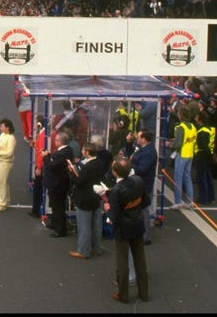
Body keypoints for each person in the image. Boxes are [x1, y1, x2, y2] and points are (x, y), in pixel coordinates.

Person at [106, 157, 149, 304]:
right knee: (140, 260)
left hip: (123, 228)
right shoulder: (138, 181)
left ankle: (123, 295)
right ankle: (144, 293)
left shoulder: (115, 191)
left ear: (115, 172)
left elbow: (115, 216)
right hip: (137, 223)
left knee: (122, 262)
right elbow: (145, 201)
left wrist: (108, 209)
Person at [69, 142, 106, 259]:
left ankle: (83, 250)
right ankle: (96, 248)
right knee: (96, 224)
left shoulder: (88, 167)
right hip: (95, 196)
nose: (82, 151)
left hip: (84, 197)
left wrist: (72, 172)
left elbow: (79, 182)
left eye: (83, 150)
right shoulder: (99, 163)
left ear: (87, 152)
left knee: (84, 225)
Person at [41, 130, 73, 237]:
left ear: (60, 141)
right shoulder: (67, 151)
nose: (55, 141)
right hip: (59, 183)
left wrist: (45, 157)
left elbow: (52, 166)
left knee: (58, 207)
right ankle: (55, 223)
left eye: (56, 140)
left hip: (57, 184)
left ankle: (60, 229)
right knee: (56, 206)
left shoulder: (61, 153)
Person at [129, 130, 158, 243]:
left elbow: (142, 169)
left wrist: (130, 163)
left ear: (144, 139)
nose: (137, 139)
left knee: (143, 210)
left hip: (144, 184)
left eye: (139, 137)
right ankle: (141, 233)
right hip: (139, 183)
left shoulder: (149, 153)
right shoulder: (144, 149)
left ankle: (146, 236)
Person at [167, 105, 195, 210]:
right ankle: (190, 201)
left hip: (181, 154)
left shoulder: (180, 127)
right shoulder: (192, 126)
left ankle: (177, 202)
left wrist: (169, 145)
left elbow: (178, 143)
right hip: (190, 154)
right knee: (187, 177)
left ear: (180, 115)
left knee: (178, 178)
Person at [0, 118, 16, 212]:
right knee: (4, 182)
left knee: (1, 182)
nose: (0, 128)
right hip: (1, 161)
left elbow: (9, 153)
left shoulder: (11, 138)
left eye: (2, 126)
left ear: (7, 127)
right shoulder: (2, 135)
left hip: (6, 162)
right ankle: (6, 200)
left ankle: (2, 203)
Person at [193, 111, 216, 206]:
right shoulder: (210, 129)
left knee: (202, 177)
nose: (195, 118)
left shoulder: (202, 132)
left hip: (202, 155)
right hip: (208, 154)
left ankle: (203, 198)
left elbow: (203, 145)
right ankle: (211, 197)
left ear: (200, 119)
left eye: (196, 117)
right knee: (208, 176)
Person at [13, 76, 32, 142]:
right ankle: (31, 135)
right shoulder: (30, 86)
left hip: (21, 108)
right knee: (30, 122)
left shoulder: (18, 87)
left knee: (24, 123)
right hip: (29, 107)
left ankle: (26, 136)